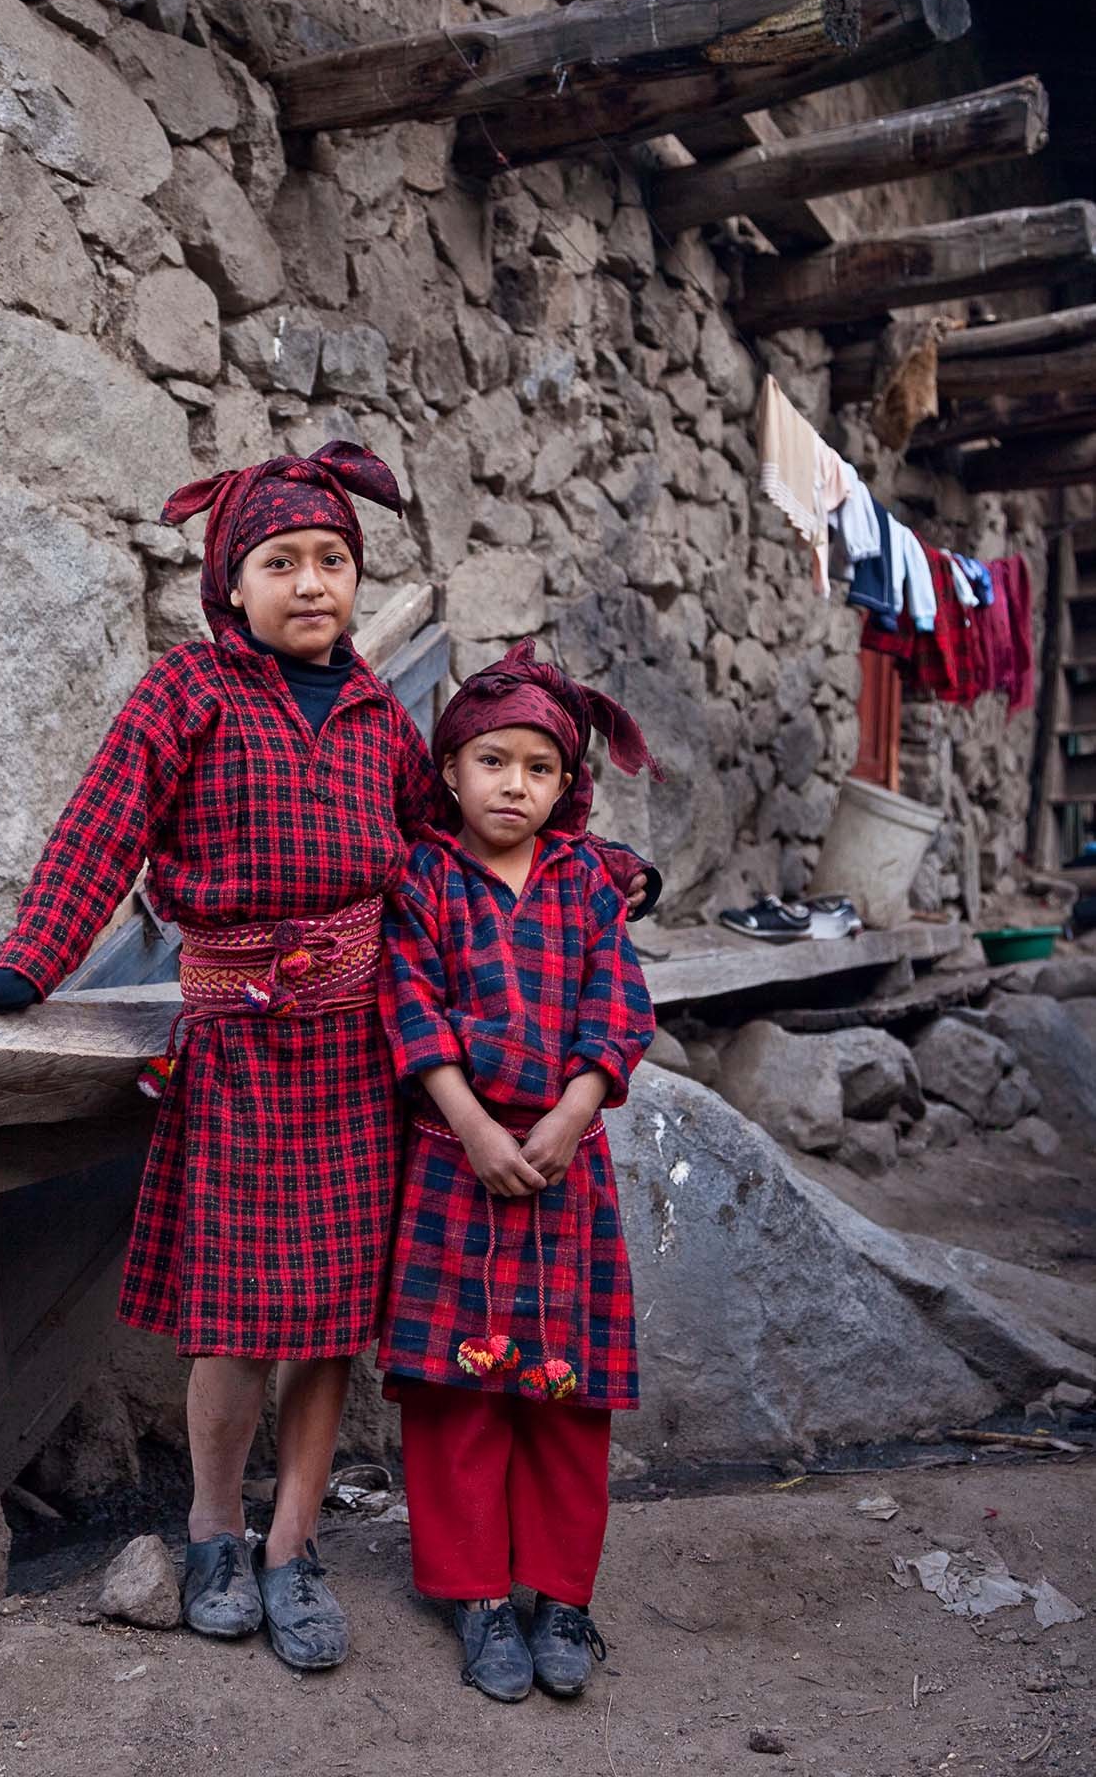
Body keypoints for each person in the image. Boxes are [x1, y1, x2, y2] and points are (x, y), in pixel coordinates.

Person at [0, 441, 651, 1675]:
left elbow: (454, 837)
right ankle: (214, 1526)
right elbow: (103, 827)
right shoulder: (188, 694)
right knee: (233, 1315)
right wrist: (34, 961)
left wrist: (599, 866)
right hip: (238, 1046)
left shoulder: (378, 715)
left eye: (331, 559)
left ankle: (294, 1543)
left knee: (329, 1318)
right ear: (232, 584)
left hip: (362, 1054)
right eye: (280, 561)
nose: (311, 581)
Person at [376, 642, 657, 1704]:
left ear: (564, 783)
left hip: (565, 1165)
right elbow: (408, 1004)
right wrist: (471, 1123)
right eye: (493, 761)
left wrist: (576, 1105)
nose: (514, 785)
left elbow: (617, 1004)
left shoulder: (587, 880)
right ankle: (479, 1595)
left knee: (565, 1392)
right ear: (449, 771)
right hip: (459, 1161)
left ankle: (561, 1593)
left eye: (539, 768)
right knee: (458, 1392)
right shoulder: (422, 878)